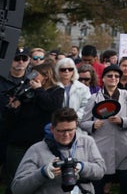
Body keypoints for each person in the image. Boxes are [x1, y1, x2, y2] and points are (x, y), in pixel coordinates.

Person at [11, 107, 106, 194]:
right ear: (52, 129)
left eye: (71, 130)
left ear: (76, 127)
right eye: (61, 131)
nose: (66, 135)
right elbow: (17, 188)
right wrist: (42, 173)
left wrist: (82, 167)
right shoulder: (37, 150)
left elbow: (101, 171)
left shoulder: (87, 142)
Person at [3, 61, 64, 191]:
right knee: (14, 177)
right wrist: (14, 108)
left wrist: (39, 89)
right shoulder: (27, 91)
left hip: (41, 141)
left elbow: (50, 106)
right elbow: (15, 118)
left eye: (35, 74)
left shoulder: (57, 91)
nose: (31, 76)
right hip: (19, 141)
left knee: (36, 178)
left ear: (46, 75)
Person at [80, 64, 127, 194]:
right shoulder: (94, 98)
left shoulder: (126, 95)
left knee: (125, 180)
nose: (113, 78)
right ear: (103, 79)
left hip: (122, 145)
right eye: (109, 76)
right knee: (99, 181)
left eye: (117, 76)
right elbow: (82, 122)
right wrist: (92, 125)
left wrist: (122, 121)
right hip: (101, 146)